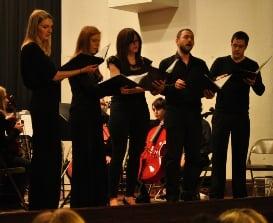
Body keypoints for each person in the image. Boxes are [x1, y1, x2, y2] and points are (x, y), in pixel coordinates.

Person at [20, 9, 96, 210]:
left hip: (45, 105)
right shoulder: (31, 49)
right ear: (34, 27)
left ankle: (45, 201)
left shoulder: (35, 50)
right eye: (45, 27)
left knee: (50, 153)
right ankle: (42, 202)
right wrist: (81, 69)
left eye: (51, 28)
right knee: (47, 154)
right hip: (43, 107)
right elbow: (54, 76)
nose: (49, 31)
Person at [157, 28, 214, 202]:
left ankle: (189, 193)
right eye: (186, 37)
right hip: (174, 114)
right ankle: (172, 196)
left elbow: (207, 87)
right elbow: (158, 89)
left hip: (194, 114)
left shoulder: (200, 64)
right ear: (177, 40)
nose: (189, 40)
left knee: (194, 156)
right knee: (173, 156)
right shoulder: (166, 63)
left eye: (192, 38)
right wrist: (172, 86)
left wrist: (209, 93)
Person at [208, 31, 265, 199]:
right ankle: (216, 194)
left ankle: (240, 195)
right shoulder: (220, 62)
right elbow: (208, 84)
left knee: (239, 155)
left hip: (241, 115)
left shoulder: (252, 65)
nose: (237, 49)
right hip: (221, 114)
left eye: (241, 46)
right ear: (230, 44)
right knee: (218, 154)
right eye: (235, 45)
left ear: (246, 47)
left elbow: (261, 90)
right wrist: (217, 81)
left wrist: (254, 83)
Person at [61, 26, 108, 207]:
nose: (97, 44)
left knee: (96, 155)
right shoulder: (78, 62)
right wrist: (111, 87)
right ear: (85, 41)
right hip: (81, 115)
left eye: (98, 41)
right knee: (84, 156)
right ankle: (83, 200)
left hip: (93, 113)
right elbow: (90, 89)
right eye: (94, 41)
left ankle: (96, 198)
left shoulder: (91, 62)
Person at [107, 28, 151, 206]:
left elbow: (148, 85)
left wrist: (136, 88)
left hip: (140, 108)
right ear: (123, 43)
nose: (136, 44)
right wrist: (137, 87)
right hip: (120, 109)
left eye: (137, 41)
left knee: (135, 153)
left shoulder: (144, 62)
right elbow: (118, 83)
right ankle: (112, 195)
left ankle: (130, 193)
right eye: (132, 41)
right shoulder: (114, 60)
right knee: (118, 152)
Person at [0, 86, 30, 205]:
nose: (7, 100)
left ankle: (14, 198)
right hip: (3, 158)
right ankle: (16, 199)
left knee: (23, 163)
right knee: (29, 165)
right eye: (4, 97)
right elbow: (3, 142)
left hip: (4, 156)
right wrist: (16, 130)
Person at [136, 97, 166, 203]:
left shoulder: (170, 126)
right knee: (136, 163)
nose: (155, 112)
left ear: (165, 109)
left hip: (164, 157)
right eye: (153, 110)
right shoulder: (153, 125)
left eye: (158, 109)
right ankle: (143, 193)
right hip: (151, 154)